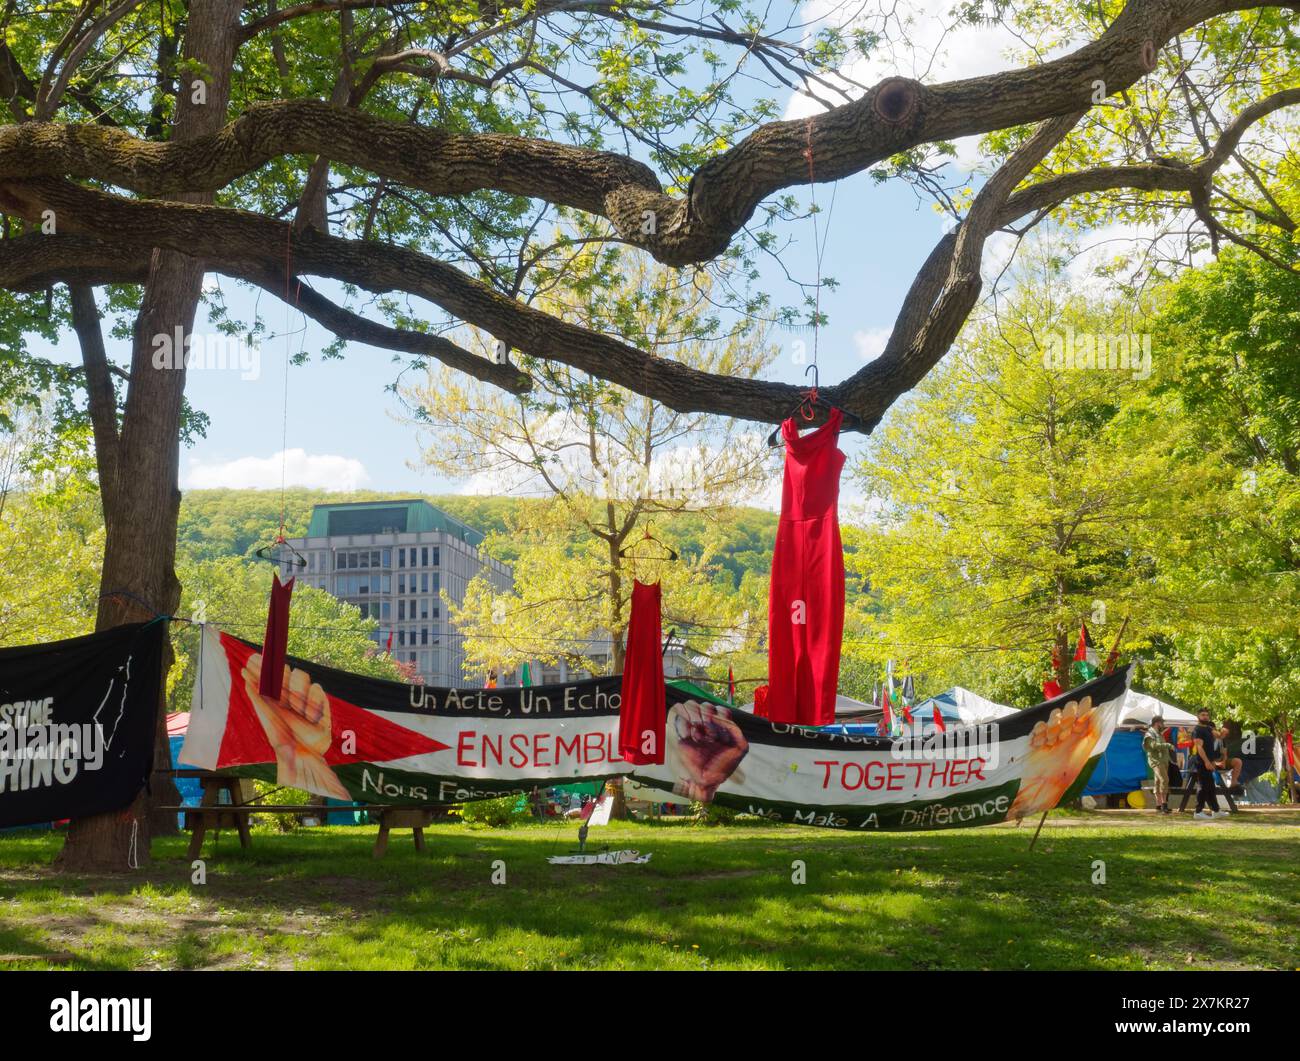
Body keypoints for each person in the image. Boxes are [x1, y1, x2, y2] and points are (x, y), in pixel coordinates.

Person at [1191, 708, 1228, 819]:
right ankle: (1198, 812)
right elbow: (1199, 748)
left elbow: (1219, 736)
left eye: (1207, 715)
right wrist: (1206, 762)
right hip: (1201, 762)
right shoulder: (1197, 730)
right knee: (1203, 786)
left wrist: (1223, 732)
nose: (1205, 717)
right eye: (1203, 715)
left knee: (1211, 787)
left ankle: (1216, 810)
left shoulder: (1208, 728)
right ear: (1198, 717)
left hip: (1210, 762)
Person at [1142, 714, 1175, 814]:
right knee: (1164, 780)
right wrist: (1168, 745)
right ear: (1157, 723)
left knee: (1157, 781)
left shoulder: (1159, 733)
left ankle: (1158, 805)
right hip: (1156, 761)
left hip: (1163, 760)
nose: (1163, 725)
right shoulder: (1150, 734)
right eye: (1162, 723)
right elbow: (1153, 746)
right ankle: (1164, 805)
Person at [1215, 723, 1244, 793]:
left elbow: (1225, 754)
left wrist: (1224, 761)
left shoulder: (1223, 741)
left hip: (1220, 760)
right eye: (1223, 733)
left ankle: (1233, 782)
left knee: (1238, 761)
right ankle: (1217, 781)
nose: (1224, 735)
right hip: (1212, 762)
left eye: (1225, 734)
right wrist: (1217, 763)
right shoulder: (1211, 741)